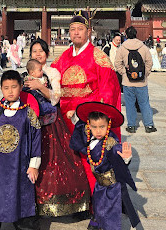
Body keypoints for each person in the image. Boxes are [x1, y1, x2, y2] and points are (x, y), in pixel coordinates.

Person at [51, 10, 122, 191]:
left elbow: (109, 92)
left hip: (87, 121)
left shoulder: (99, 58)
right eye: (72, 29)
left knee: (90, 161)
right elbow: (50, 79)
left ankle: (95, 199)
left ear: (88, 32)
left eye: (80, 29)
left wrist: (94, 119)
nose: (76, 33)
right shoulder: (62, 58)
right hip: (64, 120)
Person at [22, 44, 91, 217]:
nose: (38, 54)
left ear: (47, 53)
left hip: (51, 122)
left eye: (41, 51)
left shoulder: (52, 73)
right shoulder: (25, 75)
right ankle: (28, 204)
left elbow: (56, 98)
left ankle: (63, 201)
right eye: (34, 51)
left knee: (57, 161)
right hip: (30, 123)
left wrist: (40, 87)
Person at [0, 70, 41, 230]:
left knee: (20, 200)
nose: (10, 91)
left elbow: (36, 140)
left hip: (19, 166)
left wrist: (34, 165)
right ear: (1, 89)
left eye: (14, 87)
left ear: (21, 87)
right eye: (6, 88)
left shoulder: (28, 113)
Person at [70, 102, 140, 230]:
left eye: (102, 127)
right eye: (94, 127)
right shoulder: (90, 136)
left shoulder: (110, 143)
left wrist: (126, 158)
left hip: (112, 187)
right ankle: (96, 224)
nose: (98, 131)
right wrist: (74, 116)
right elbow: (80, 129)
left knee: (110, 214)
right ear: (89, 125)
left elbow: (117, 156)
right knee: (98, 206)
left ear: (108, 125)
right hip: (100, 184)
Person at [114, 26, 155, 134]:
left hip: (128, 82)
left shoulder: (122, 48)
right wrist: (145, 74)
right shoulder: (143, 47)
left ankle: (131, 126)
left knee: (130, 104)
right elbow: (149, 62)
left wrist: (124, 73)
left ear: (126, 35)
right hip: (141, 82)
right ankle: (149, 125)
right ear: (136, 34)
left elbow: (117, 63)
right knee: (144, 103)